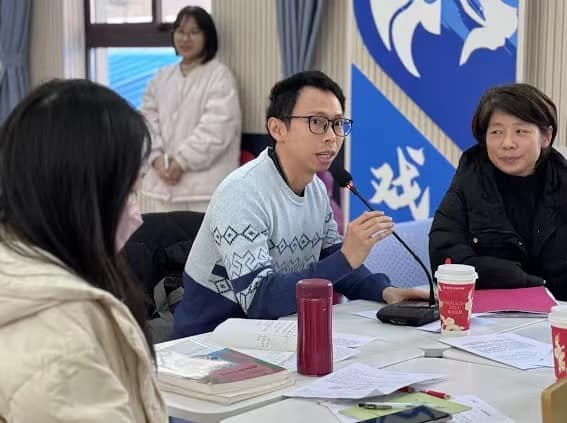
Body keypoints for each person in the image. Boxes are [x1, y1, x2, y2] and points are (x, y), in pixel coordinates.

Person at [173, 70, 429, 337]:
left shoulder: (316, 189)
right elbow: (260, 301)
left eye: (338, 123)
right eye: (317, 122)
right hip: (209, 344)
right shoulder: (242, 192)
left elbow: (332, 259)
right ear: (277, 129)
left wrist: (385, 291)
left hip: (275, 336)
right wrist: (346, 258)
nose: (331, 136)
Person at [0, 79, 167, 422]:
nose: (135, 210)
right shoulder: (59, 341)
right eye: (128, 189)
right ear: (84, 190)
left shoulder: (29, 265)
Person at [429, 83, 567, 299]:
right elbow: (445, 256)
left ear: (546, 137)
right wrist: (526, 283)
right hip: (489, 312)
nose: (507, 143)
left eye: (520, 131)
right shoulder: (470, 179)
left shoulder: (562, 181)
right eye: (496, 132)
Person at [140, 5, 241, 213]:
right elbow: (146, 121)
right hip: (160, 189)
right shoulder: (161, 77)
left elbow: (217, 129)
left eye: (194, 32)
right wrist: (156, 159)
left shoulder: (219, 76)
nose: (186, 39)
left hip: (204, 192)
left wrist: (181, 162)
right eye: (180, 31)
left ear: (207, 37)